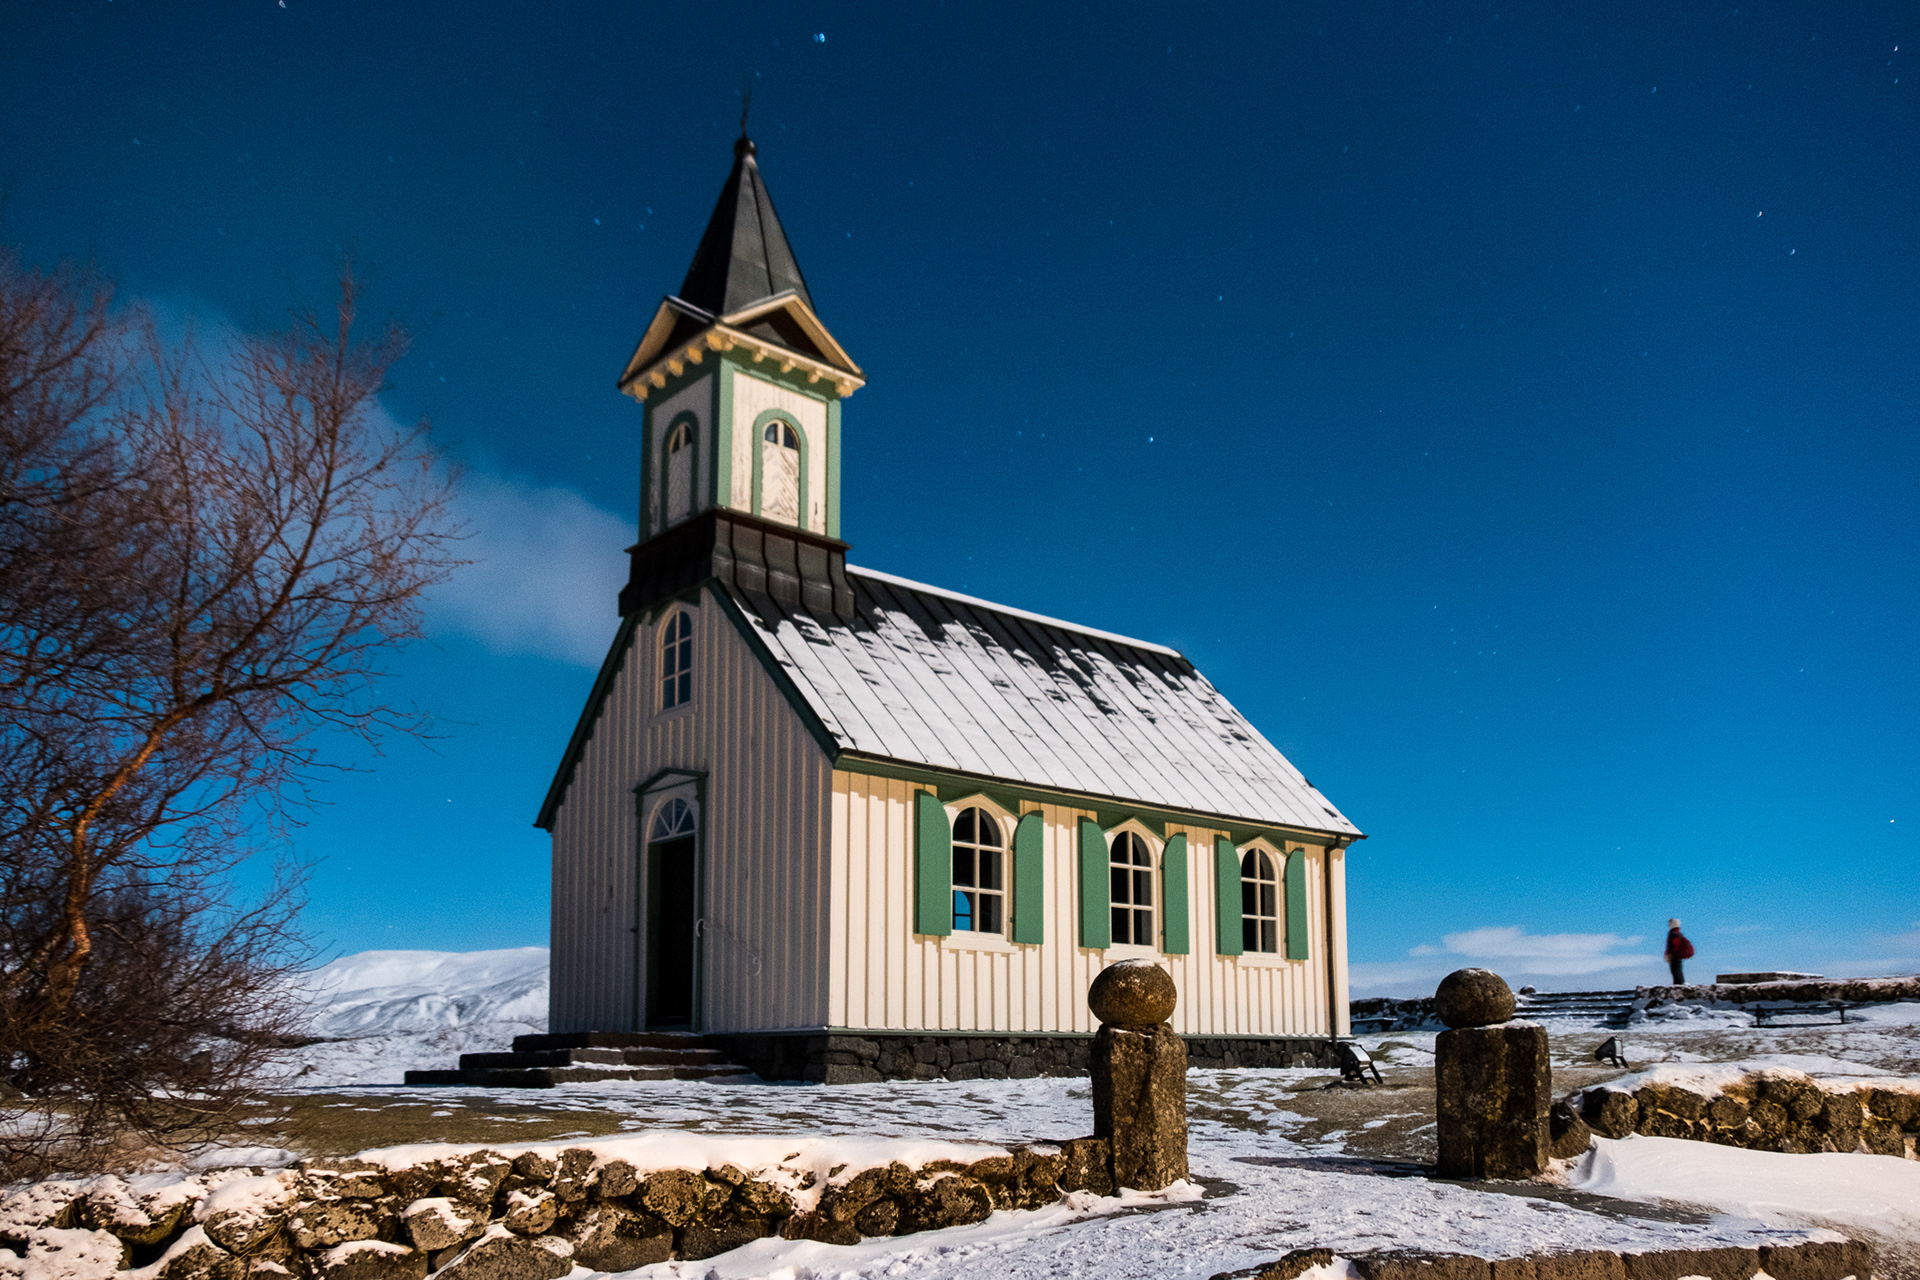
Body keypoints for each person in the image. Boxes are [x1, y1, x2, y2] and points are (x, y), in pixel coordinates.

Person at [1664, 918, 1694, 984]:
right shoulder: (1678, 933)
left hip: (1675, 955)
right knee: (1678, 970)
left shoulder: (1673, 934)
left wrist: (1669, 953)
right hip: (1678, 955)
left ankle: (1679, 984)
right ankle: (1680, 984)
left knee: (1675, 971)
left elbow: (1673, 946)